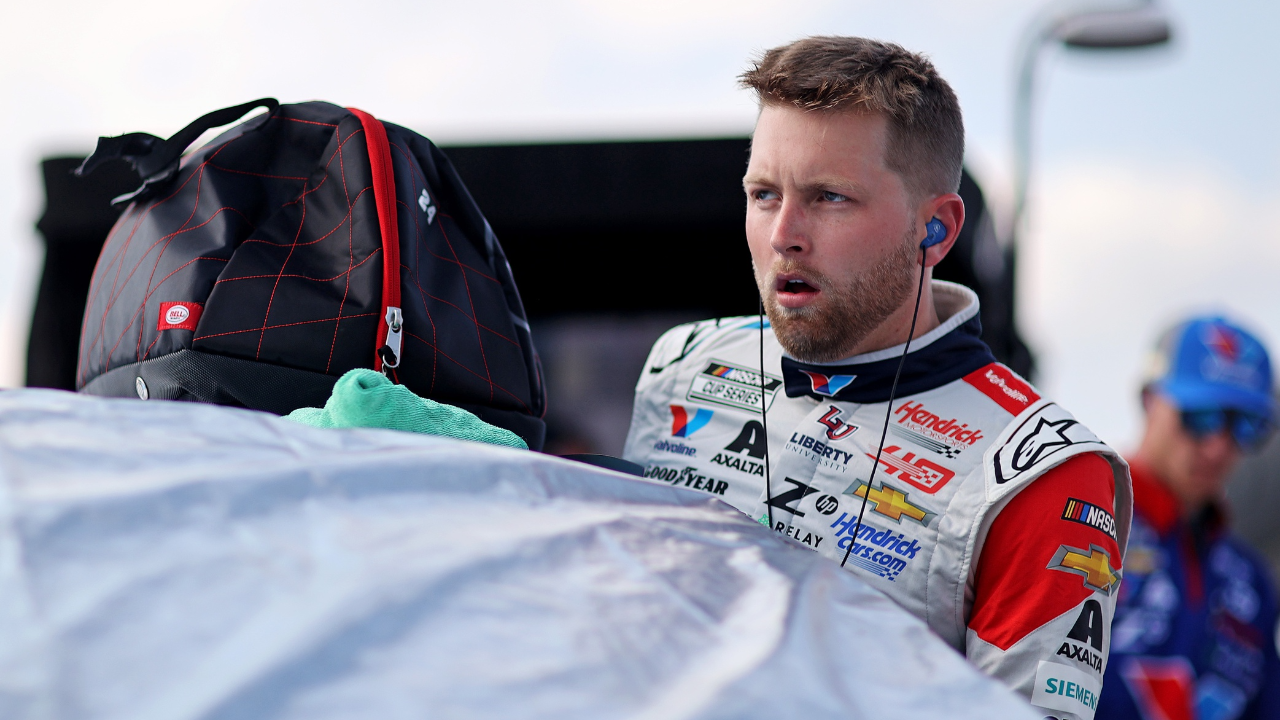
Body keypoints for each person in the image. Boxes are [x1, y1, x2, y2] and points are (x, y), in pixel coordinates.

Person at [623, 36, 1131, 719]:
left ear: (936, 230)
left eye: (829, 198)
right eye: (764, 193)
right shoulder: (684, 365)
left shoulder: (1043, 474)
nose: (784, 235)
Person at [1097, 317, 1280, 720]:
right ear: (1148, 400)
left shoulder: (1252, 583)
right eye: (1201, 416)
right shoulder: (1075, 524)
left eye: (1245, 425)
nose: (1218, 447)